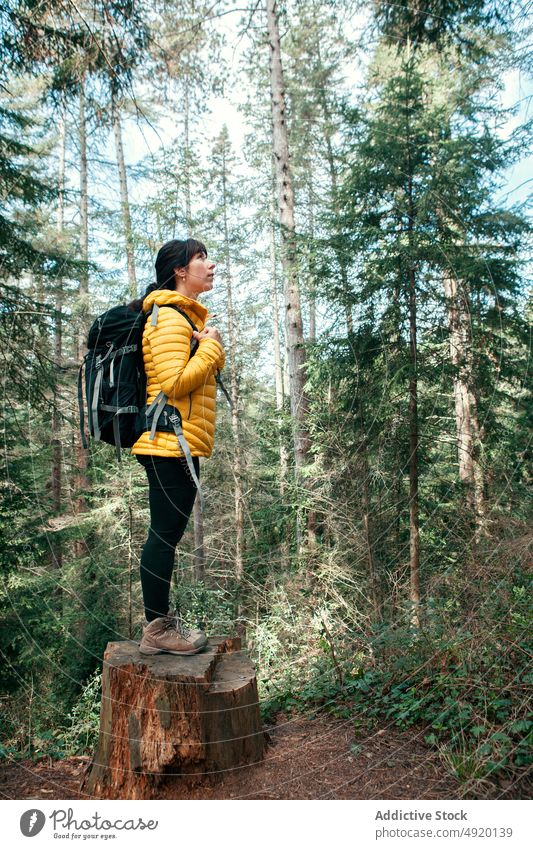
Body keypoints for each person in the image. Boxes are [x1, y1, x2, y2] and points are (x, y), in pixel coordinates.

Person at [128, 238, 225, 656]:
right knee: (163, 536)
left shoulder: (181, 317)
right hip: (168, 442)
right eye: (201, 258)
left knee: (166, 534)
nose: (211, 265)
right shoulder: (168, 318)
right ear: (180, 271)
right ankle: (157, 630)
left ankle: (159, 625)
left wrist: (206, 346)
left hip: (178, 442)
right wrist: (211, 346)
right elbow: (173, 383)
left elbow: (190, 377)